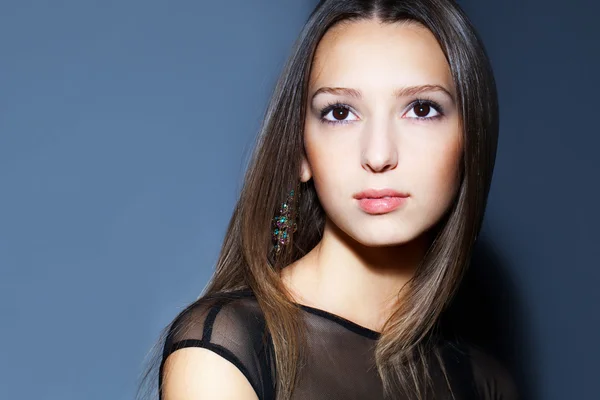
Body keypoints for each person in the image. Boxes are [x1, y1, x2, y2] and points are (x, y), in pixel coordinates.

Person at [135, 0, 519, 399]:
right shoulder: (227, 349)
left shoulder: (485, 383)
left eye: (421, 109)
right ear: (301, 152)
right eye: (340, 113)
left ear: (468, 142)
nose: (378, 154)